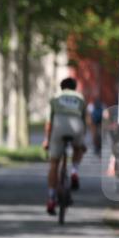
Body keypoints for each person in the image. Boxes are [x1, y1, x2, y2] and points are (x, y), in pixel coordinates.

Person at [42, 77, 88, 215]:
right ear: (75, 88)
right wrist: (82, 143)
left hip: (59, 125)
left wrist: (47, 140)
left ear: (62, 87)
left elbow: (49, 123)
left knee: (54, 163)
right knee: (78, 148)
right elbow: (84, 121)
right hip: (76, 126)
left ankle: (51, 198)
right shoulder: (80, 98)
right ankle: (74, 171)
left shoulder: (55, 98)